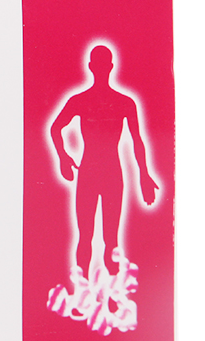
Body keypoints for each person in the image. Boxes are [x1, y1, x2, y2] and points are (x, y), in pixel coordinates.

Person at [51, 45, 158, 275]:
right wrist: (63, 157)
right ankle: (83, 289)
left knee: (108, 239)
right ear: (100, 67)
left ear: (105, 67)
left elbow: (137, 141)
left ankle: (108, 291)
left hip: (107, 173)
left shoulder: (123, 103)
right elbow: (55, 128)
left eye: (102, 65)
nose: (101, 69)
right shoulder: (83, 100)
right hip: (94, 172)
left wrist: (144, 175)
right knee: (88, 237)